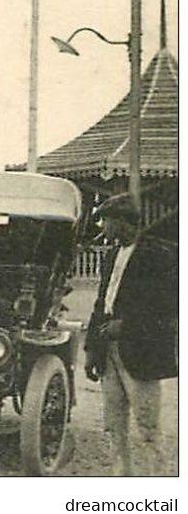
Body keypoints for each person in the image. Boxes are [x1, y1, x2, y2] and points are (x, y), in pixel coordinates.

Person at [84, 194, 178, 476]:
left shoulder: (160, 254)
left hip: (141, 349)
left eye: (108, 220)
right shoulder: (111, 255)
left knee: (147, 425)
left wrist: (128, 326)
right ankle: (121, 478)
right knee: (114, 423)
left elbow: (170, 305)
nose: (104, 226)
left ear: (124, 223)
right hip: (108, 349)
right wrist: (91, 349)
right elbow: (101, 303)